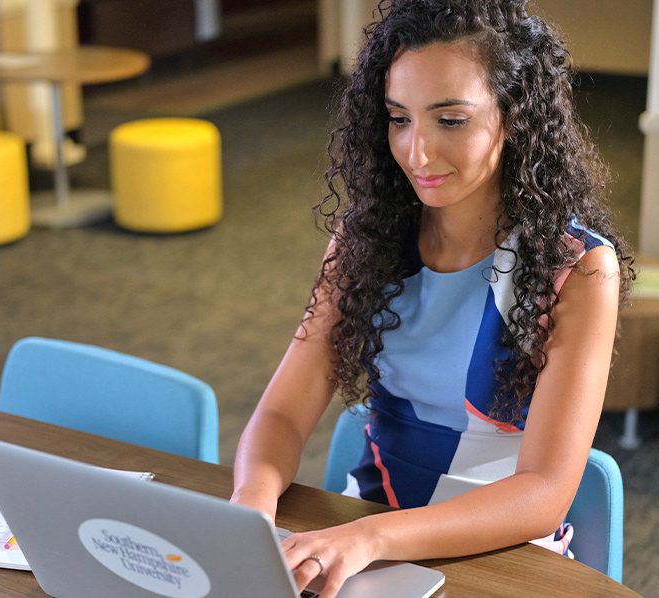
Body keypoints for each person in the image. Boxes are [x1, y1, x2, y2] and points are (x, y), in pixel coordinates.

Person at [230, 0, 636, 596]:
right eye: (399, 118)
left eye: (450, 121)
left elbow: (543, 493)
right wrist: (249, 508)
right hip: (368, 523)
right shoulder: (365, 241)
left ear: (515, 118)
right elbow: (283, 414)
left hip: (500, 553)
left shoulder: (576, 269)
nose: (416, 153)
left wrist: (373, 540)